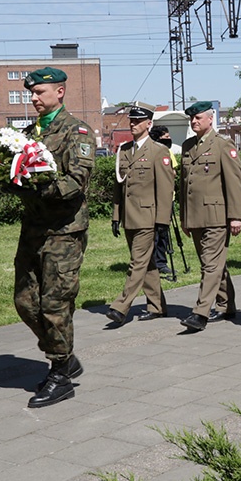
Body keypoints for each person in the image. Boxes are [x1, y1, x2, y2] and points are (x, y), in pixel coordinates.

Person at [14, 67, 94, 408]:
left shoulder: (77, 131)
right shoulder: (28, 132)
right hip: (33, 229)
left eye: (39, 92)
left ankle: (61, 372)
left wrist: (40, 188)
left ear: (59, 92)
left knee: (55, 304)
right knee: (25, 301)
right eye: (31, 93)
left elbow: (77, 180)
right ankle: (66, 357)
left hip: (64, 231)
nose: (33, 98)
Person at [178, 101, 241, 331]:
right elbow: (183, 185)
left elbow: (235, 183)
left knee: (210, 265)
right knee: (214, 264)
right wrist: (184, 217)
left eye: (198, 118)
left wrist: (236, 216)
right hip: (195, 216)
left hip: (217, 216)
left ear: (210, 119)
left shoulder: (222, 145)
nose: (194, 122)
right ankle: (227, 304)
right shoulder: (188, 146)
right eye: (192, 119)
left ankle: (201, 313)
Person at [106, 106, 175, 326]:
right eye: (132, 121)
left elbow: (165, 189)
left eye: (138, 121)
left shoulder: (158, 151)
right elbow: (119, 186)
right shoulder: (124, 150)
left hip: (148, 216)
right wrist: (116, 215)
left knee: (137, 263)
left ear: (149, 124)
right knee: (147, 263)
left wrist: (162, 221)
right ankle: (157, 306)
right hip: (129, 216)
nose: (133, 124)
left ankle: (121, 307)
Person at [149, 125, 177, 276]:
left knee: (164, 234)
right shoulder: (152, 151)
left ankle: (161, 262)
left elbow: (173, 172)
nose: (168, 140)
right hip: (153, 200)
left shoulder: (168, 152)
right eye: (165, 137)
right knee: (154, 234)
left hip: (168, 199)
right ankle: (152, 263)